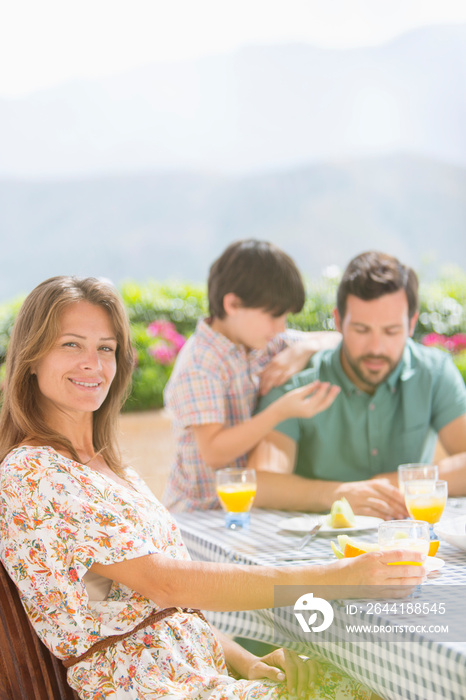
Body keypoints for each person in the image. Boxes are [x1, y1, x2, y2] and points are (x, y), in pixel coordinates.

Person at [0, 275, 423, 700]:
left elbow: (142, 608)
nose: (92, 363)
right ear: (32, 357)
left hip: (198, 678)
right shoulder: (34, 472)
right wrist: (338, 577)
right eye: (71, 344)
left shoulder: (111, 469)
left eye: (105, 348)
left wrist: (246, 660)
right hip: (152, 691)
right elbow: (168, 585)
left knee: (376, 684)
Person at [250, 251, 466, 519]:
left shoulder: (434, 373)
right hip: (319, 547)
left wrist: (388, 484)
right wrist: (338, 494)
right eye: (362, 330)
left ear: (411, 323)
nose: (376, 348)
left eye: (391, 331)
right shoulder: (296, 380)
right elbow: (261, 484)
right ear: (338, 321)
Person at [163, 239, 341, 512]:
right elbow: (214, 451)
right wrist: (280, 411)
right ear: (233, 304)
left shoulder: (262, 341)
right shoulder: (201, 363)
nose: (281, 328)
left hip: (246, 512)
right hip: (200, 514)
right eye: (274, 316)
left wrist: (305, 348)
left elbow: (336, 338)